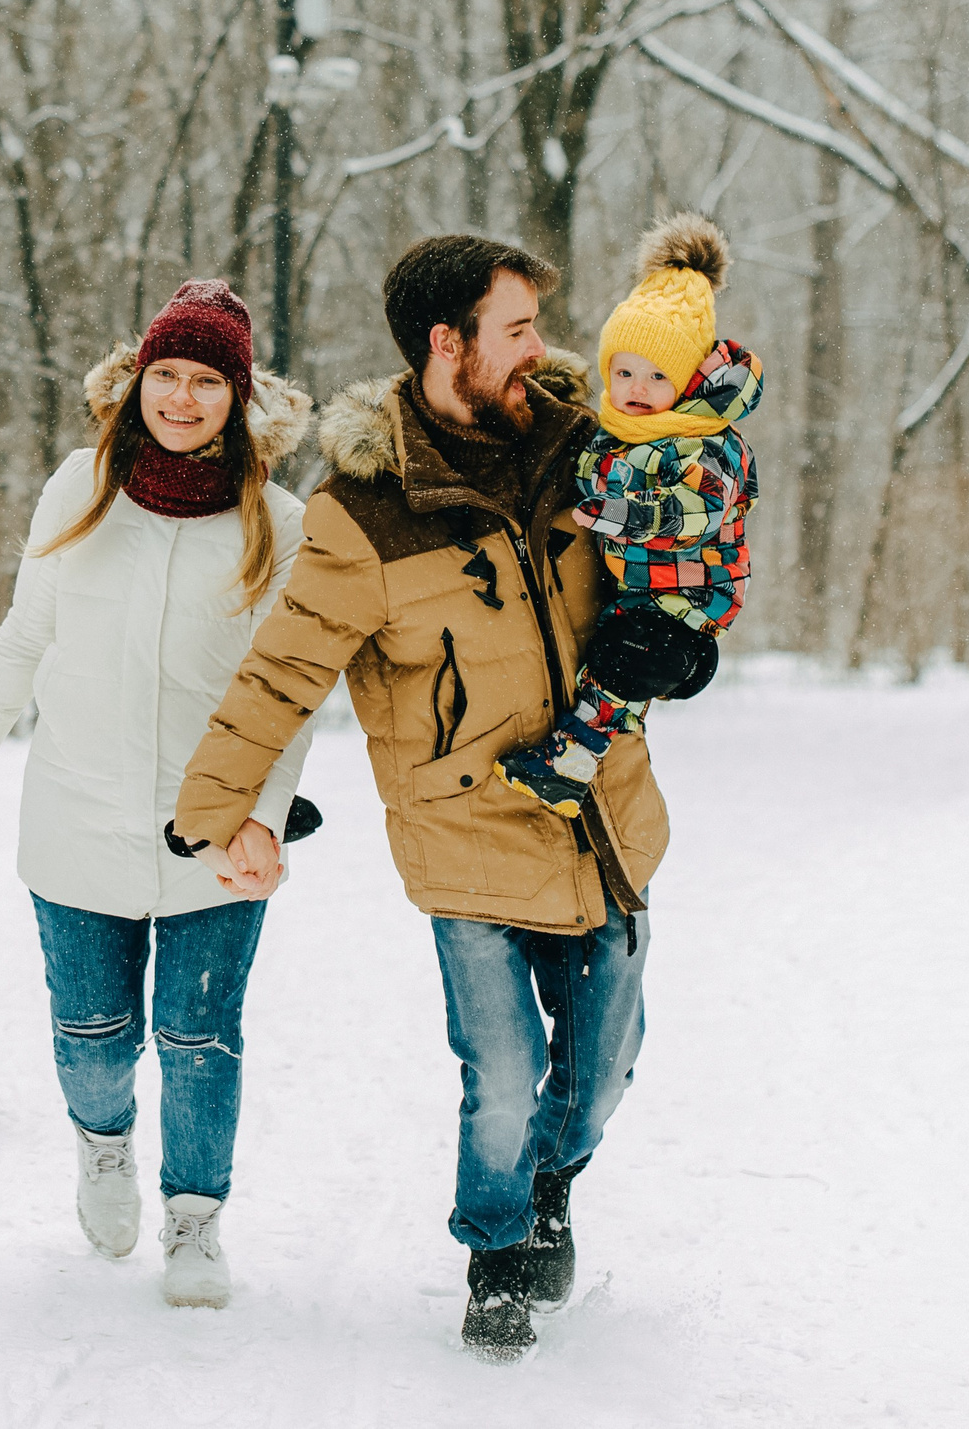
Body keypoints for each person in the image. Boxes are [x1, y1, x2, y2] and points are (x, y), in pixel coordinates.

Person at [169, 235, 669, 1361]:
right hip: (468, 831)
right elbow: (283, 671)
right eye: (517, 328)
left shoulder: (587, 454)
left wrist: (676, 645)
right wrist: (214, 806)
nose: (543, 347)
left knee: (600, 1072)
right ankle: (496, 1251)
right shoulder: (362, 512)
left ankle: (554, 1180)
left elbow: (675, 566)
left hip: (600, 814)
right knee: (499, 1073)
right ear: (448, 343)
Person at [0, 279, 317, 1311]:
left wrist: (266, 813)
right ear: (137, 381)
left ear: (239, 395)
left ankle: (195, 1219)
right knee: (91, 1036)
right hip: (76, 814)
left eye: (205, 380)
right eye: (165, 375)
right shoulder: (78, 488)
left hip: (214, 831)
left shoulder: (278, 519)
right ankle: (102, 1148)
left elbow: (292, 692)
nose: (181, 397)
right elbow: (25, 633)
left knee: (199, 1036)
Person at [492, 215, 762, 815]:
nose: (636, 387)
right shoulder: (619, 434)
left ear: (690, 379)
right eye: (624, 371)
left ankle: (569, 763)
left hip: (693, 593)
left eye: (657, 375)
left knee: (624, 660)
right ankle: (580, 760)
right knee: (618, 665)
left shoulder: (706, 443)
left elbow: (694, 512)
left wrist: (622, 515)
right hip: (642, 589)